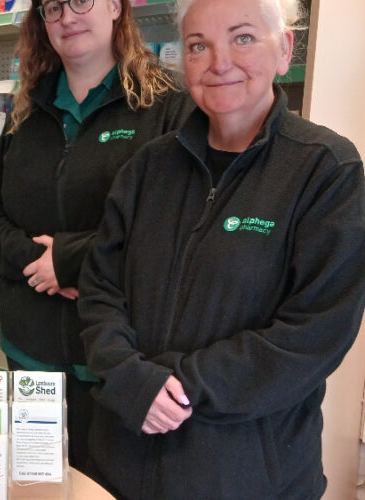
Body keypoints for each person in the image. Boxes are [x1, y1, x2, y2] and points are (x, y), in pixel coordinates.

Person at [78, 0, 365, 497]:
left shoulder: (326, 171)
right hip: (122, 461)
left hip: (247, 477)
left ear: (285, 49)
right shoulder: (148, 167)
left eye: (243, 37)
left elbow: (314, 333)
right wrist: (129, 379)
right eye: (198, 45)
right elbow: (100, 287)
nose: (219, 62)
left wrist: (180, 387)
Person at [0, 0, 193, 470]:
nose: (67, 17)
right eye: (53, 7)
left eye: (81, 1)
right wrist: (35, 261)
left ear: (115, 6)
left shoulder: (166, 105)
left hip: (118, 364)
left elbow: (176, 223)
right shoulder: (28, 107)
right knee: (38, 489)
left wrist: (71, 261)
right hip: (30, 355)